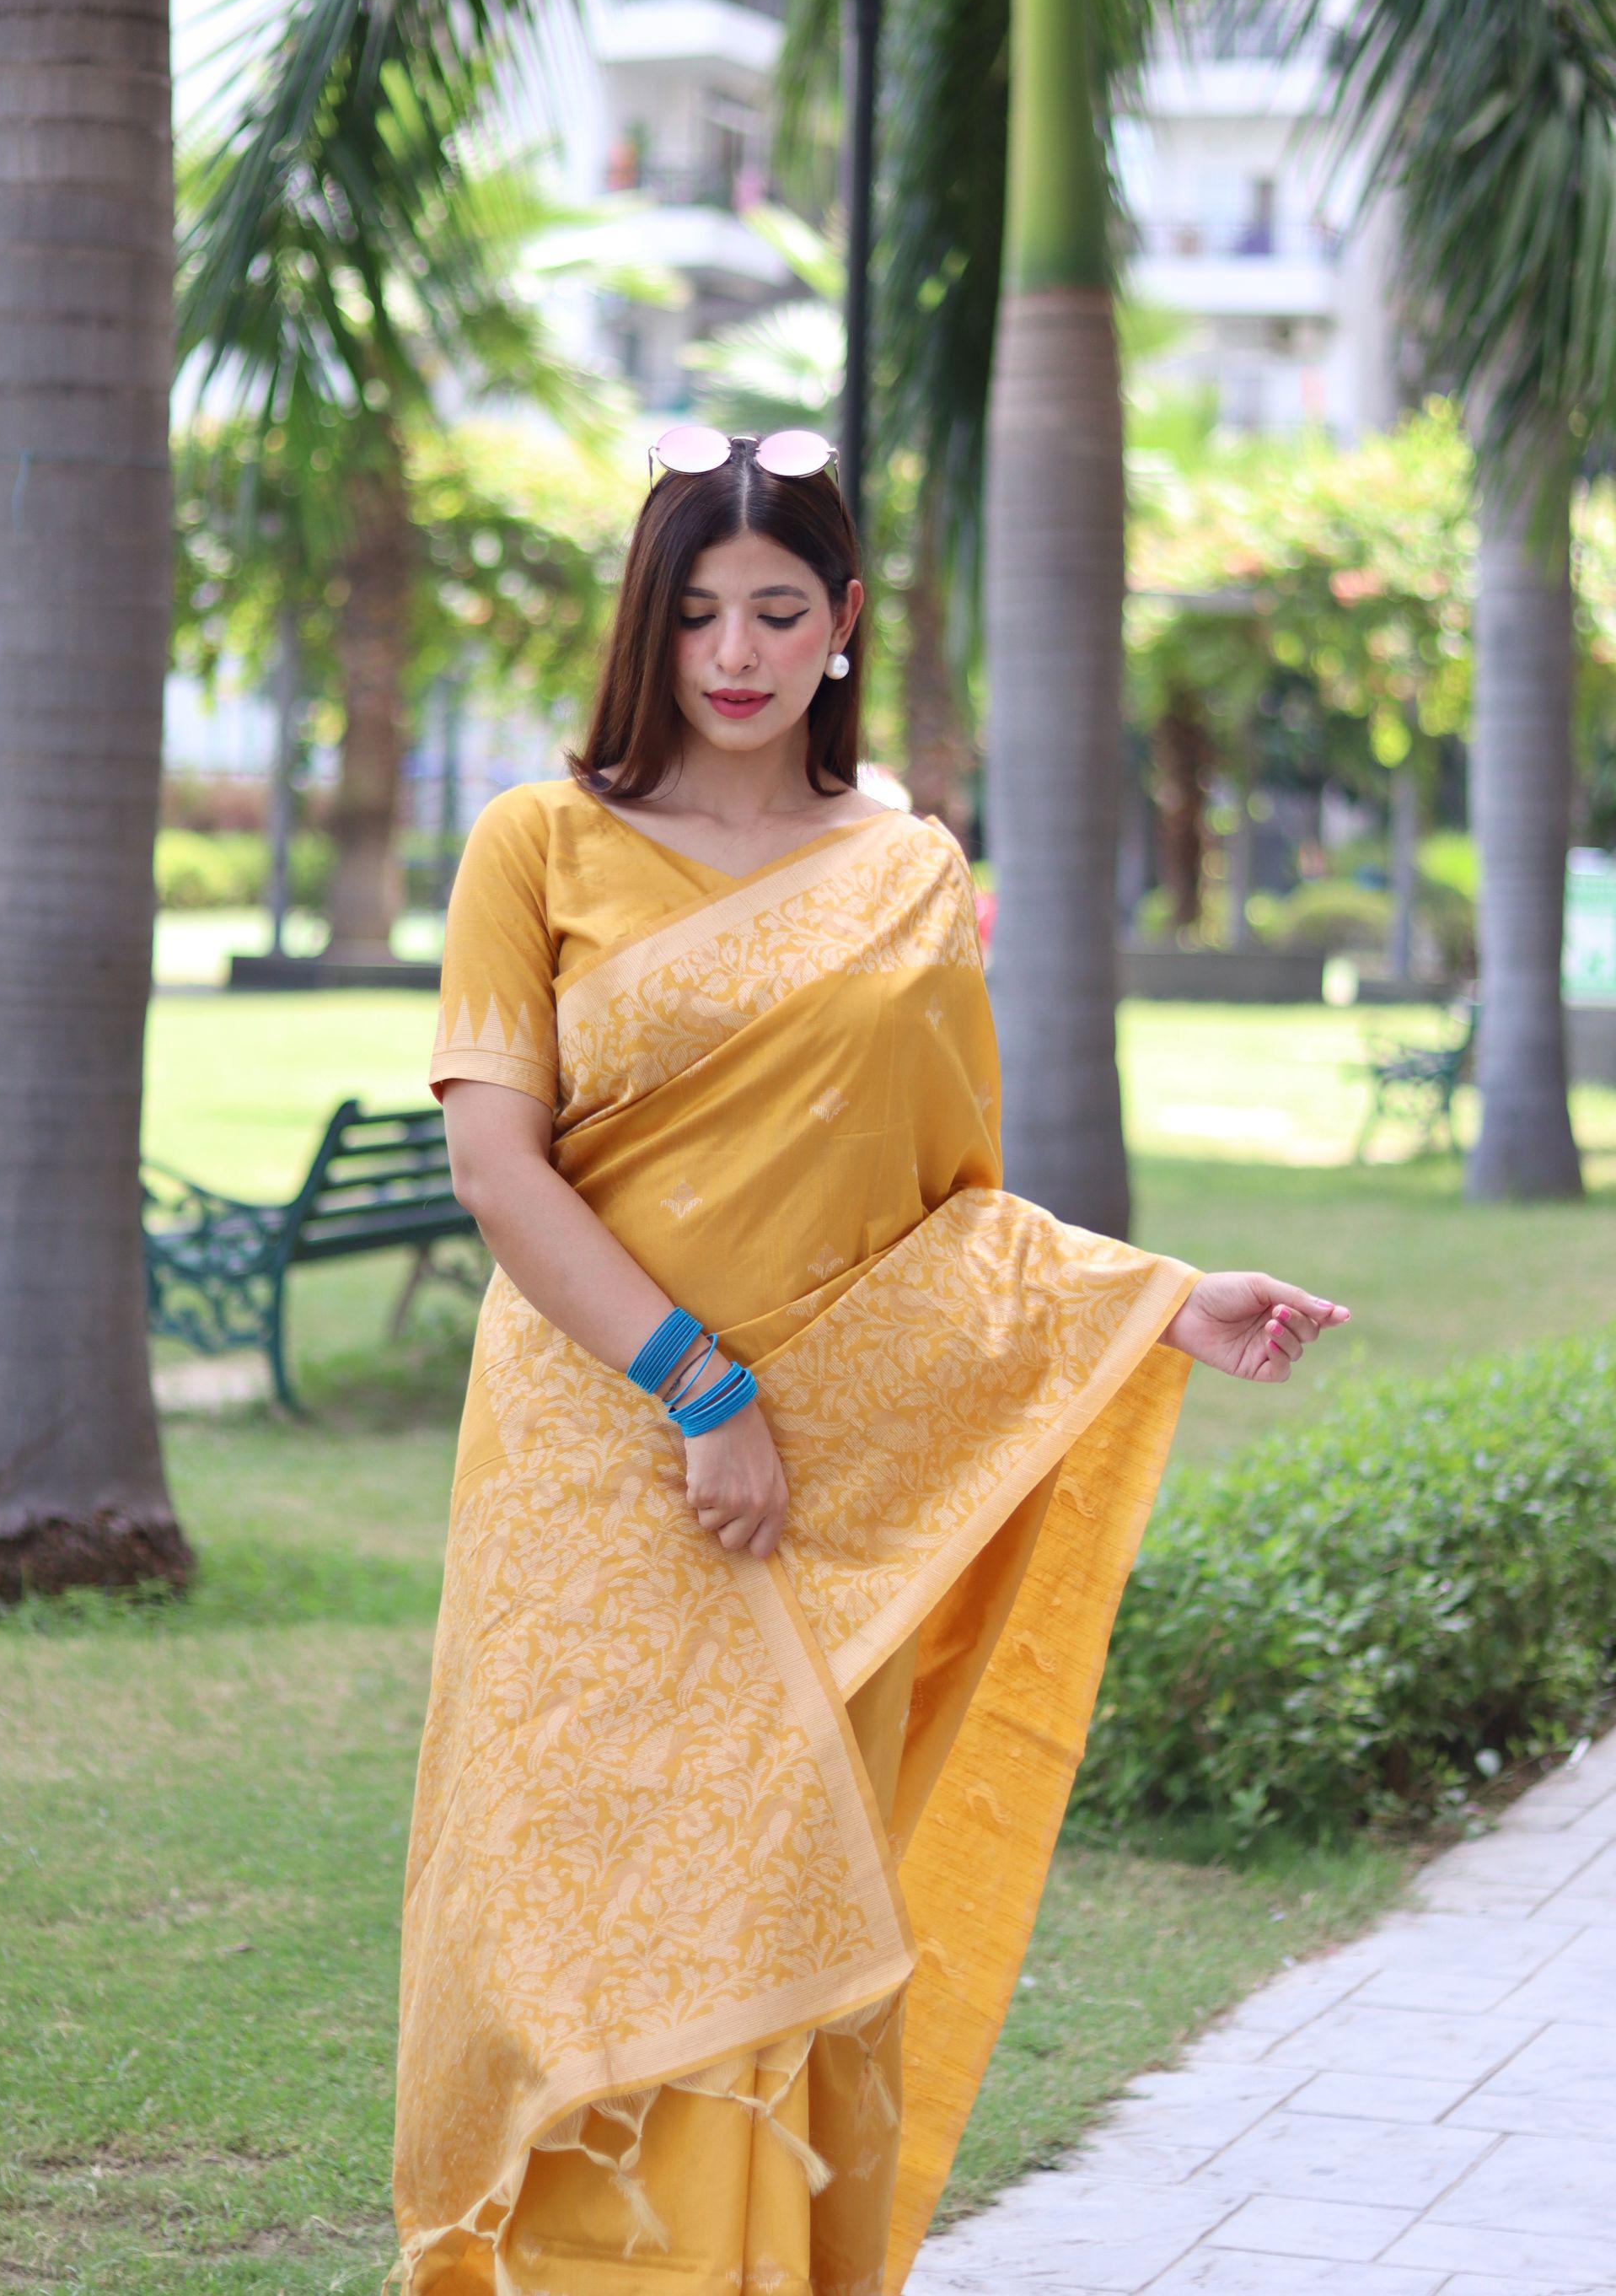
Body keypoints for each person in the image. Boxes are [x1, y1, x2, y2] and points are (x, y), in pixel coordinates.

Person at [389, 427, 1350, 2296]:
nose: (732, 653)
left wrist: (1162, 1297)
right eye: (693, 613)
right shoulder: (541, 840)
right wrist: (697, 1386)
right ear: (646, 630)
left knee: (771, 1897)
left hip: (821, 1481)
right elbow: (498, 1168)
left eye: (773, 610)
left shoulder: (902, 865)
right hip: (596, 1461)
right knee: (579, 1915)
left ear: (840, 624)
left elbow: (939, 1213)